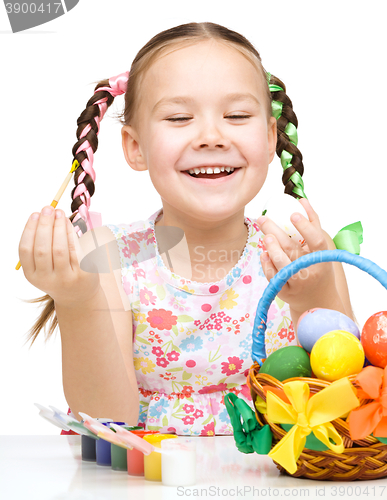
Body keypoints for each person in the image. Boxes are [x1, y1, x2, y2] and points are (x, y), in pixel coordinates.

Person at [18, 22, 354, 436]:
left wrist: (314, 297)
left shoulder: (303, 256)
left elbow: (348, 413)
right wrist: (76, 299)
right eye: (179, 117)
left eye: (236, 115)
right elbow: (109, 425)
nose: (211, 136)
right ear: (135, 147)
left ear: (271, 139)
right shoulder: (107, 257)